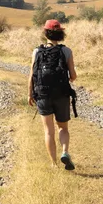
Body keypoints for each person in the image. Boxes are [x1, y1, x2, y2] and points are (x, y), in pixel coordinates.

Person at [28, 19, 78, 170]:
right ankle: (65, 152)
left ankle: (54, 164)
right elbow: (73, 75)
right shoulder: (66, 51)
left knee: (48, 131)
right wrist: (69, 78)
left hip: (42, 94)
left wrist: (29, 94)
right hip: (62, 94)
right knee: (62, 128)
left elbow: (32, 75)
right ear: (61, 33)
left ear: (45, 33)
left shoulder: (37, 51)